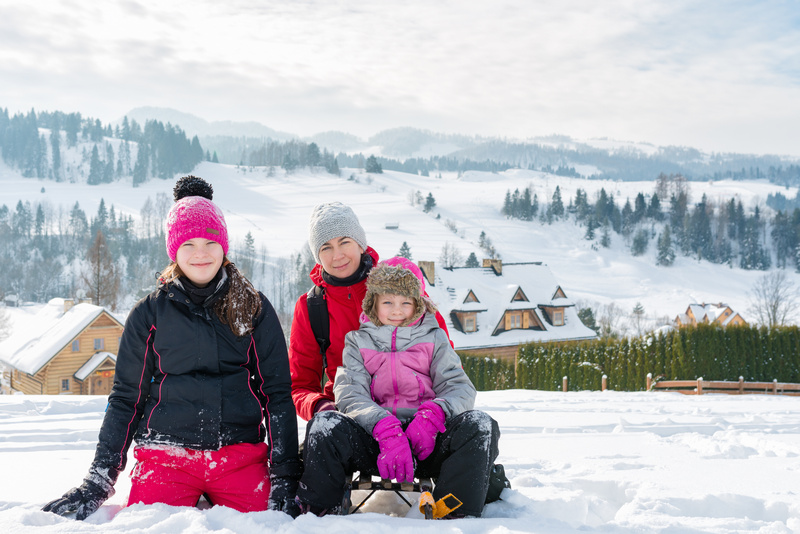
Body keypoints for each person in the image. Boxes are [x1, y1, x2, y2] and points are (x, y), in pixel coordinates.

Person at [43, 176, 300, 520]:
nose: (200, 253)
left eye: (210, 241)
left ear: (224, 246)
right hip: (166, 456)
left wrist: (284, 475)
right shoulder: (149, 314)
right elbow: (126, 399)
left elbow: (277, 394)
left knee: (267, 525)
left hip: (238, 456)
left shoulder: (252, 307)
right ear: (173, 250)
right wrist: (99, 479)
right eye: (188, 243)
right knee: (151, 525)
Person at [294, 257, 501, 518]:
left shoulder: (434, 338)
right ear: (374, 303)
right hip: (376, 441)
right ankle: (316, 514)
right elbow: (350, 392)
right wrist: (384, 428)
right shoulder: (358, 342)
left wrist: (432, 416)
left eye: (406, 302)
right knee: (324, 425)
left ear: (418, 304)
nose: (396, 310)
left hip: (427, 441)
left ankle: (454, 513)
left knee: (480, 424)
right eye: (388, 302)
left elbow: (459, 387)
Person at [289, 202, 452, 422]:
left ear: (360, 244)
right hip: (348, 415)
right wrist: (320, 407)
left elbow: (444, 356)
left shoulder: (396, 284)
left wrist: (434, 412)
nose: (337, 255)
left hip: (415, 409)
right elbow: (300, 385)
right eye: (325, 247)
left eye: (344, 242)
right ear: (317, 256)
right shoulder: (312, 306)